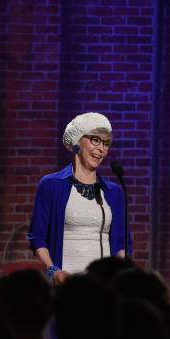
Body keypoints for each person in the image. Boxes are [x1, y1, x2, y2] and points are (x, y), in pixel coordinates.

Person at [27, 112, 128, 283]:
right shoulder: (51, 185)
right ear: (77, 142)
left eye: (106, 143)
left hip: (103, 286)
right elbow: (37, 237)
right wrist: (54, 271)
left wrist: (118, 279)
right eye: (95, 140)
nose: (101, 149)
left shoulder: (114, 192)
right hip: (66, 284)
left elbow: (121, 244)